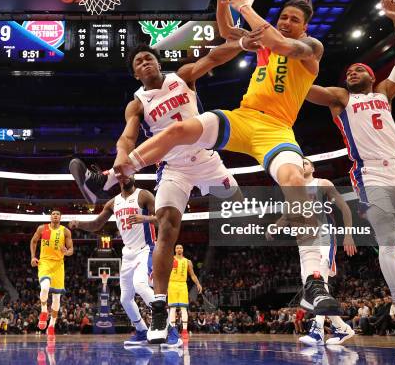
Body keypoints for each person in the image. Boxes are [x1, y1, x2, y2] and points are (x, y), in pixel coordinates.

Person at [106, 0, 341, 321]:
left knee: (295, 184)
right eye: (283, 17)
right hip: (243, 118)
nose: (286, 22)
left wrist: (243, 3)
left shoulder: (310, 48)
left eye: (294, 19)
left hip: (275, 130)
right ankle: (115, 173)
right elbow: (229, 31)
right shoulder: (265, 43)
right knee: (177, 131)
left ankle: (315, 283)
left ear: (305, 28)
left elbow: (284, 46)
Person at [70, 34, 261, 343]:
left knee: (238, 204)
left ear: (158, 63)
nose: (145, 63)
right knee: (167, 227)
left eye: (148, 58)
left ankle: (103, 180)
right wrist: (121, 154)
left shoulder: (182, 77)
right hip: (174, 169)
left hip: (208, 160)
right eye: (138, 62)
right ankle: (159, 306)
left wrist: (240, 45)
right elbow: (128, 138)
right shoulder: (137, 103)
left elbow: (212, 58)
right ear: (135, 73)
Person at [306, 0, 395, 356]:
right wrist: (290, 57)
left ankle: (387, 234)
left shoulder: (384, 93)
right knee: (390, 243)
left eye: (358, 70)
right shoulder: (341, 99)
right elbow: (305, 89)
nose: (351, 73)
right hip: (369, 173)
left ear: (372, 76)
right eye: (348, 71)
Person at [70, 177, 182, 347]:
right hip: (128, 253)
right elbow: (96, 225)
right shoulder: (113, 203)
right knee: (125, 299)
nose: (125, 177)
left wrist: (144, 218)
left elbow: (163, 219)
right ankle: (142, 331)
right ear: (118, 180)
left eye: (129, 173)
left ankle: (170, 329)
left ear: (134, 176)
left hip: (146, 248)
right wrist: (78, 223)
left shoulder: (143, 195)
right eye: (122, 175)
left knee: (141, 284)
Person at [298, 157, 356, 345]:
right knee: (313, 289)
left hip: (324, 236)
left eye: (305, 162)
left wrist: (348, 234)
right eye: (299, 163)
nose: (302, 164)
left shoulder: (322, 183)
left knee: (319, 282)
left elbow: (344, 207)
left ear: (313, 167)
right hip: (304, 242)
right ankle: (341, 328)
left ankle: (317, 331)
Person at [30, 209, 74, 337]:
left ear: (60, 217)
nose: (55, 216)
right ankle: (44, 311)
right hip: (44, 262)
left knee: (56, 299)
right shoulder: (42, 228)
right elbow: (33, 241)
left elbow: (71, 249)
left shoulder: (65, 231)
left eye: (58, 214)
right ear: (50, 217)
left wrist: (67, 252)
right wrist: (33, 257)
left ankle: (51, 325)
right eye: (53, 214)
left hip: (58, 265)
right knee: (44, 287)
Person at [168, 244, 202, 341]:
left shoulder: (188, 262)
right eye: (177, 247)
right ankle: (173, 331)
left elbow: (192, 275)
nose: (179, 249)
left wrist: (198, 283)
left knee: (184, 308)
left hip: (183, 284)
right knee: (173, 308)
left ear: (183, 250)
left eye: (181, 247)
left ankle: (184, 331)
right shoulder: (170, 259)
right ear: (175, 250)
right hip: (172, 284)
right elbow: (165, 272)